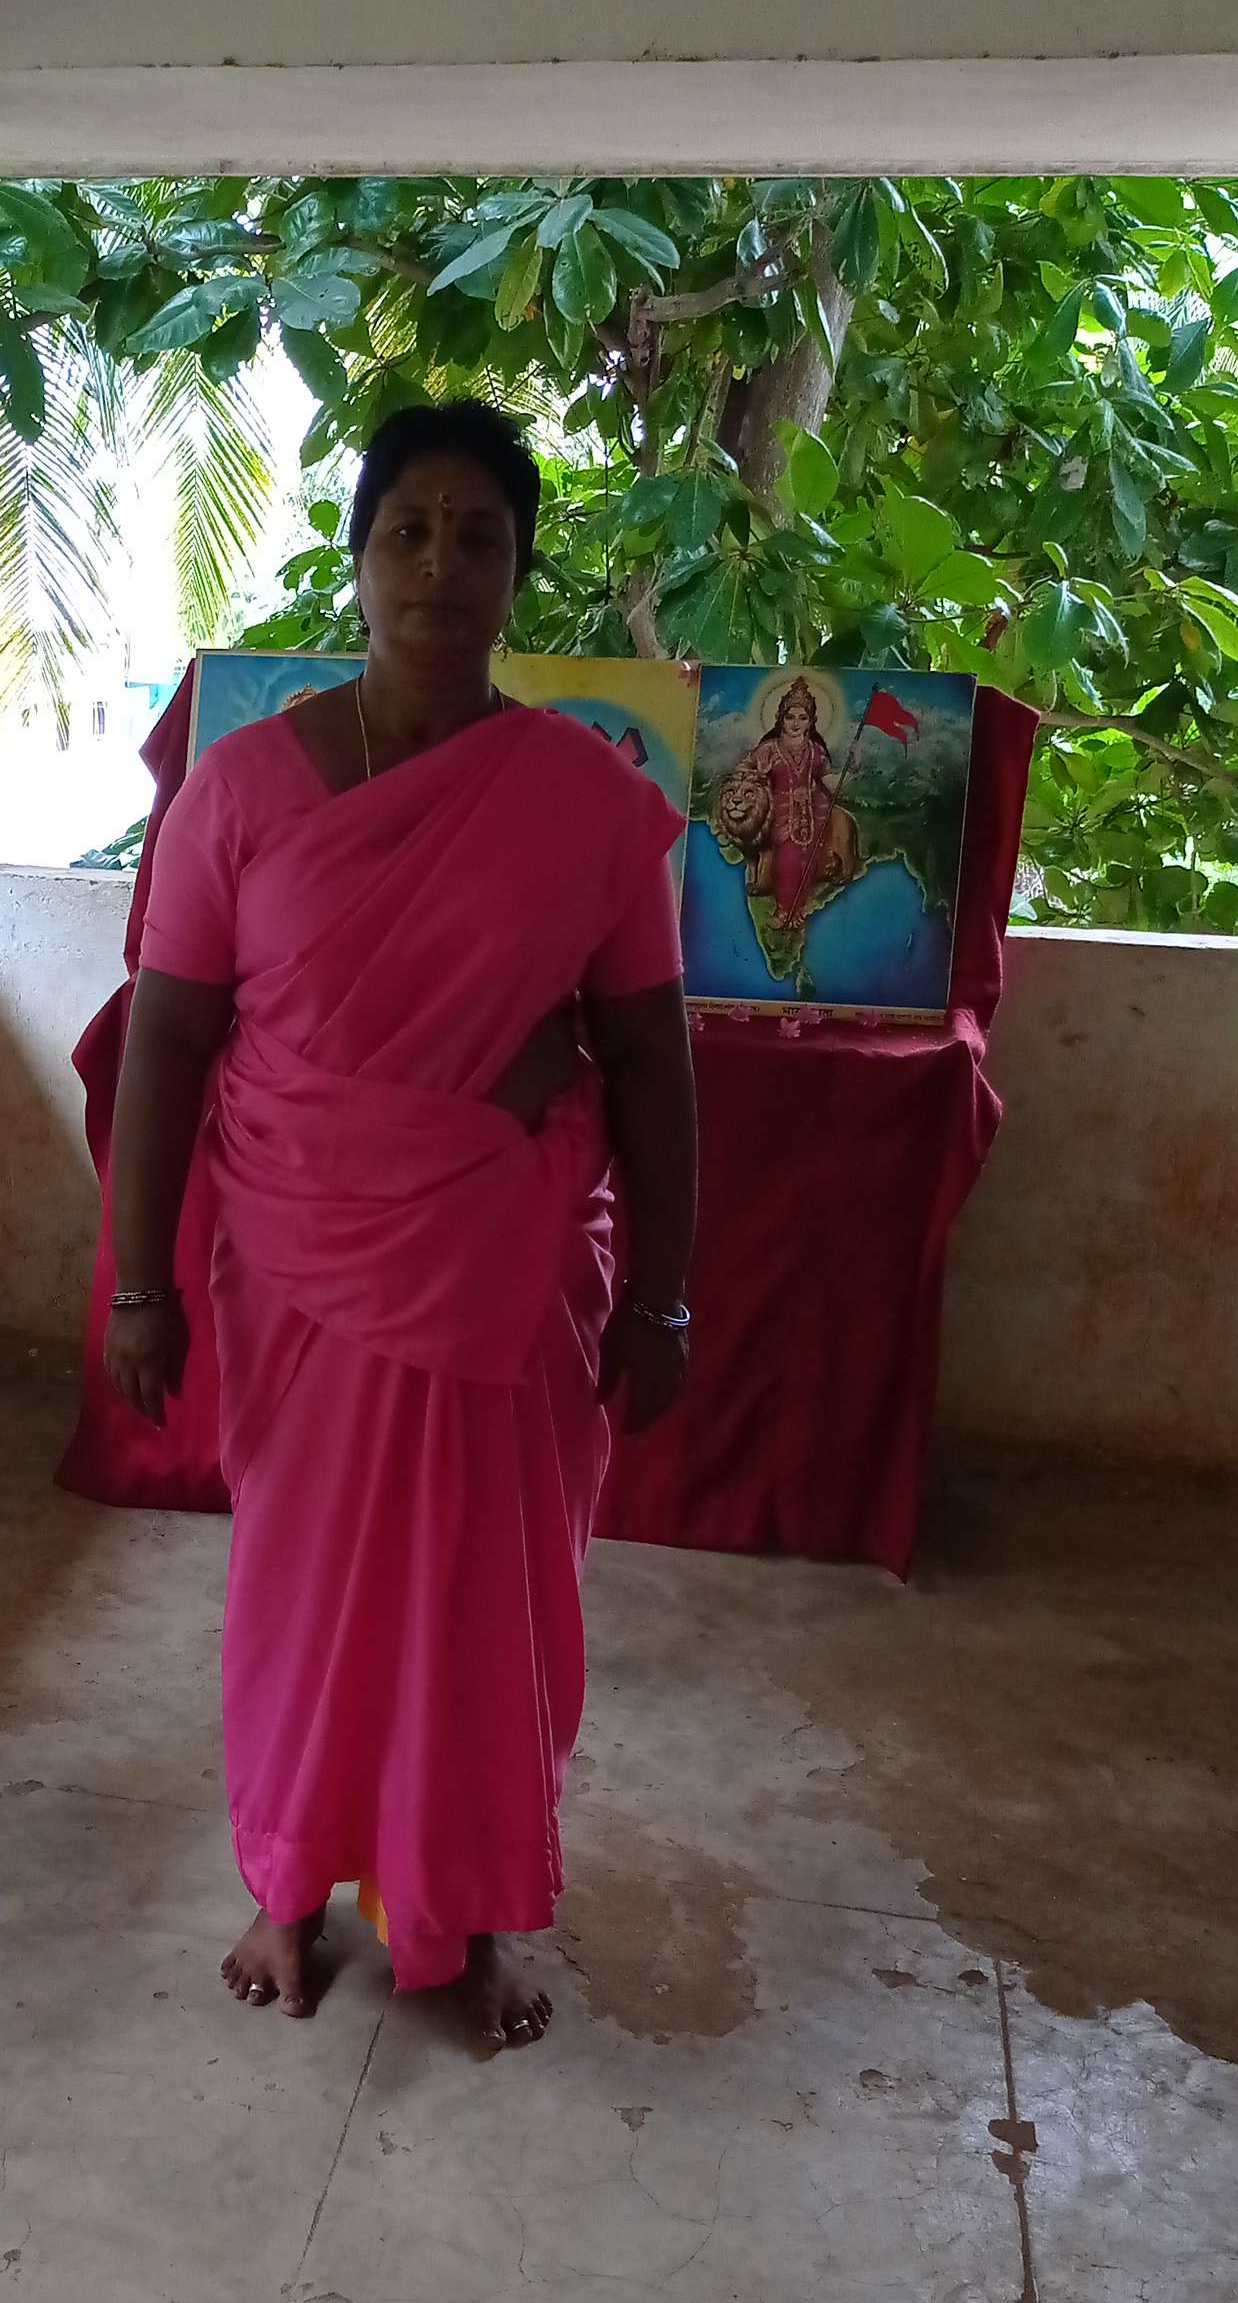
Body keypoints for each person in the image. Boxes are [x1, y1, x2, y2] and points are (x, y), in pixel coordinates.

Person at [103, 402, 698, 2046]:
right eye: (409, 530)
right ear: (358, 560)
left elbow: (651, 1055)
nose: (441, 564)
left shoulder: (582, 803)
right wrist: (140, 1282)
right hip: (300, 1260)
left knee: (486, 1605)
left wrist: (662, 1294)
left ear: (516, 574)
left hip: (505, 1267)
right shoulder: (237, 791)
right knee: (304, 1595)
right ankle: (290, 1885)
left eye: (478, 535)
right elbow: (166, 1034)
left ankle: (468, 1913)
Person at [715, 672, 858, 928]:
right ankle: (784, 912)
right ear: (781, 718)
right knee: (787, 859)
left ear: (811, 721)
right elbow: (741, 772)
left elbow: (829, 783)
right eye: (790, 717)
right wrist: (759, 773)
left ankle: (798, 912)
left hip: (812, 811)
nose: (795, 723)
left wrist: (851, 768)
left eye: (802, 718)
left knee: (811, 858)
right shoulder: (768, 750)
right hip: (778, 811)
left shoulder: (815, 752)